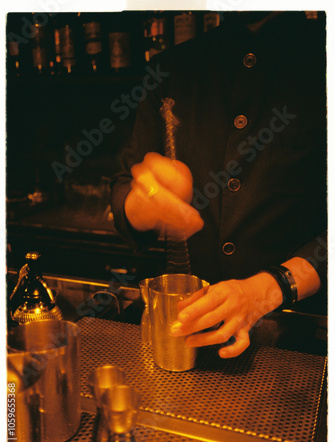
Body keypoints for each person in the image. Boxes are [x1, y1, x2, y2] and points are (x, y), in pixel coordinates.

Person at [110, 11, 327, 358]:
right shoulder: (169, 69)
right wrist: (142, 205)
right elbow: (124, 186)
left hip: (301, 345)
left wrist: (266, 290)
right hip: (187, 340)